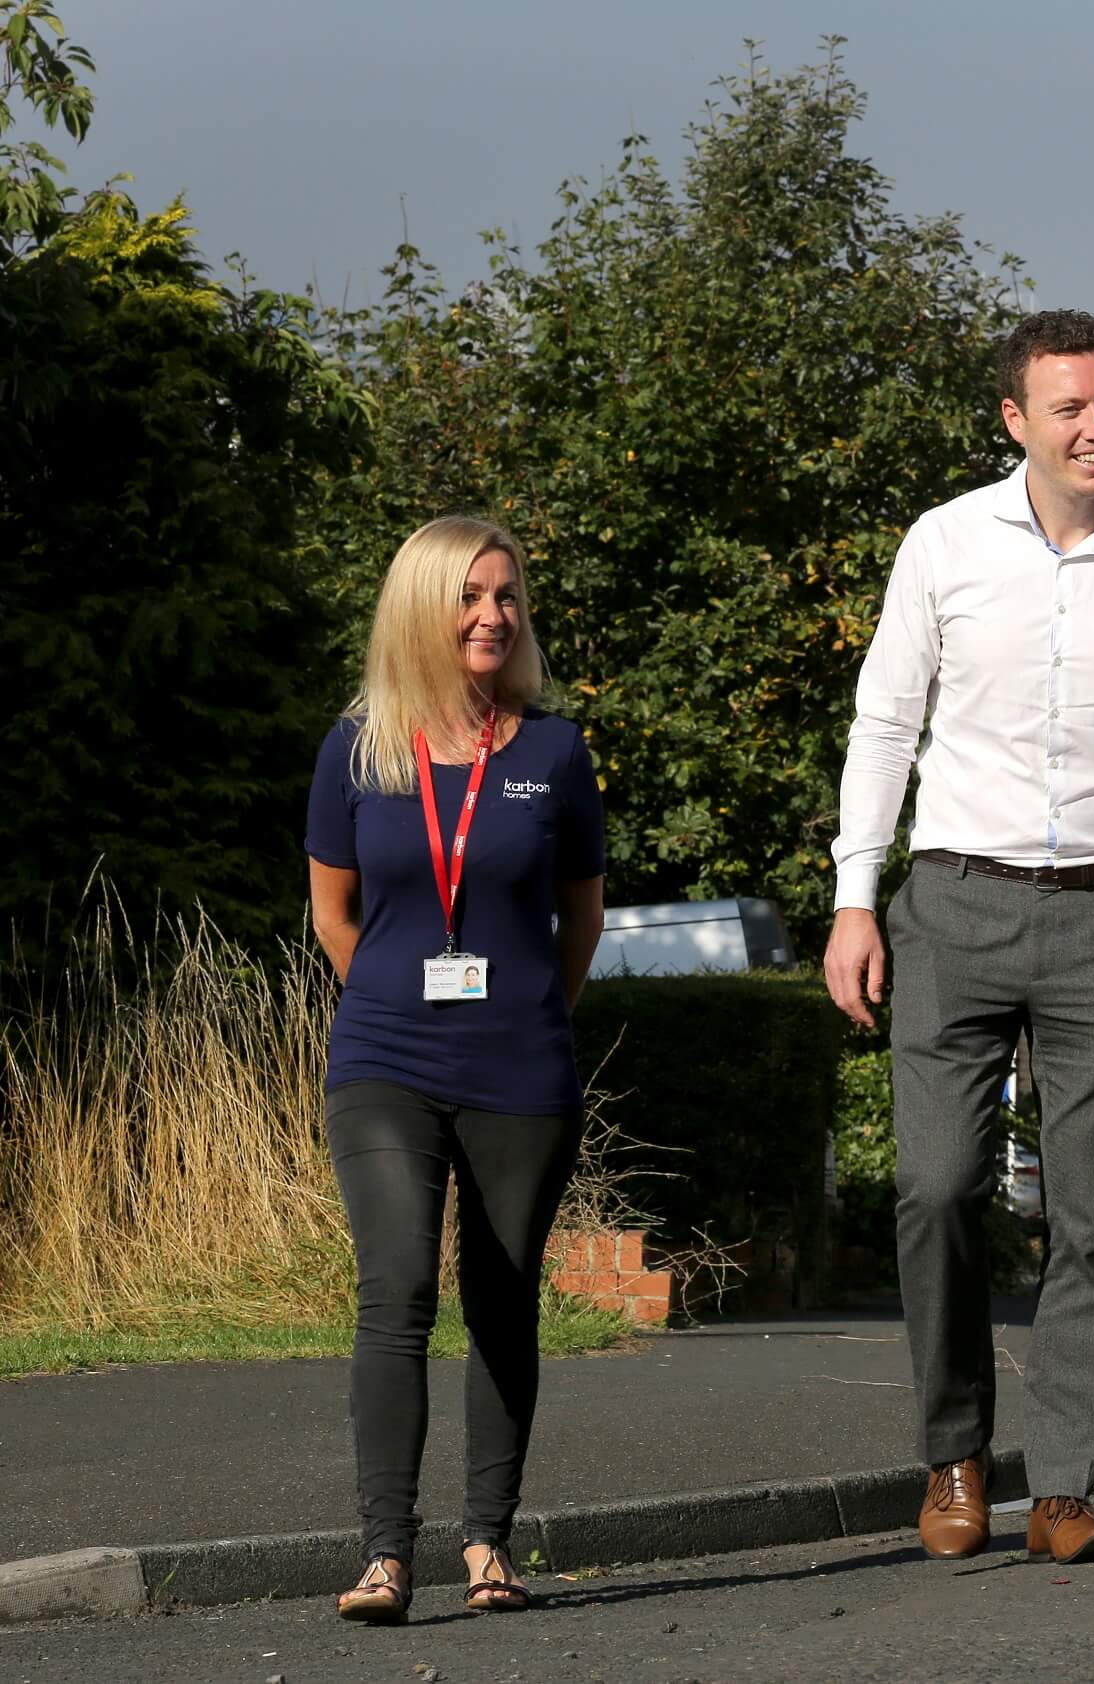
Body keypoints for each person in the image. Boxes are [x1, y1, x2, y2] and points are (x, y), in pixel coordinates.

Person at [824, 309, 1094, 1565]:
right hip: (953, 903)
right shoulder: (945, 543)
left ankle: (1064, 1483)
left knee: (1088, 1211)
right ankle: (954, 1455)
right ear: (1016, 419)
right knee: (935, 1188)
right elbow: (885, 724)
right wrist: (855, 896)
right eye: (1069, 407)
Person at [306, 516, 607, 1620]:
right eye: (470, 596)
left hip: (520, 1065)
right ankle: (385, 1555)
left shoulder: (553, 752)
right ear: (420, 609)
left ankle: (489, 1544)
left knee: (501, 1299)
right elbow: (333, 912)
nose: (492, 615)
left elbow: (581, 918)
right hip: (383, 1056)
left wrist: (528, 1014)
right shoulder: (357, 748)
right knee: (396, 1288)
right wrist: (397, 995)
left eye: (507, 596)